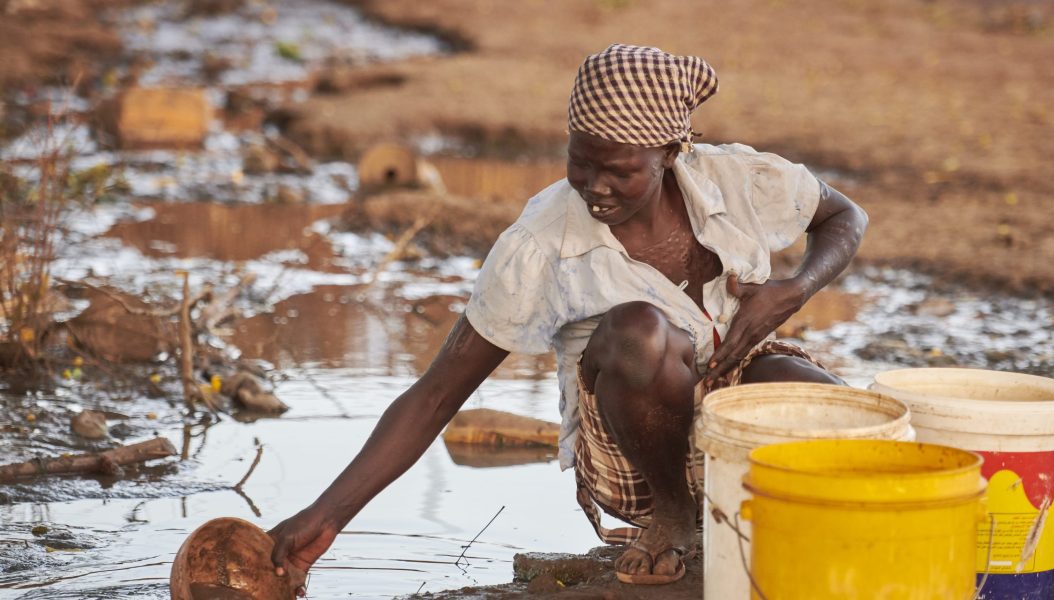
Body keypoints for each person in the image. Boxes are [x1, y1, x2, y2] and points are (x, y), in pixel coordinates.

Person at [268, 43, 867, 591]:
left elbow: (846, 219)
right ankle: (673, 515)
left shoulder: (733, 179)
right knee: (638, 331)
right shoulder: (539, 243)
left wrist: (794, 288)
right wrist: (322, 521)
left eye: (620, 171)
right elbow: (435, 395)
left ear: (670, 151)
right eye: (581, 163)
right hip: (634, 447)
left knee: (850, 423)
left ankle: (755, 514)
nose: (595, 187)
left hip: (736, 405)